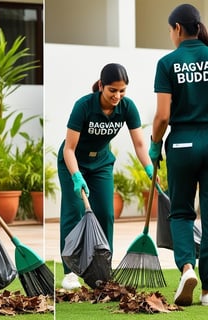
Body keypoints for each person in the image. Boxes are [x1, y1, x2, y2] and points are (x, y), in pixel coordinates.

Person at [57, 63, 153, 289]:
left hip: (101, 164)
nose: (117, 96)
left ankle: (102, 270)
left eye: (122, 91)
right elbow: (68, 149)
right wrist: (76, 176)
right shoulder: (84, 106)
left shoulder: (127, 108)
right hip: (73, 162)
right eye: (112, 90)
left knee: (106, 214)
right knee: (73, 212)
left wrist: (149, 168)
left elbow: (139, 143)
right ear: (101, 86)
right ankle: (69, 272)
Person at [149, 3, 208, 307]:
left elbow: (162, 116)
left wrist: (154, 143)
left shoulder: (167, 62)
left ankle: (187, 267)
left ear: (176, 29)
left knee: (182, 211)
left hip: (183, 143)